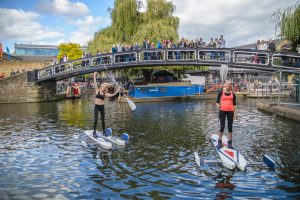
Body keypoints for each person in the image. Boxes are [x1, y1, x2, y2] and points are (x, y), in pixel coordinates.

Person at [93, 72, 120, 138]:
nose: (103, 87)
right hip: (96, 107)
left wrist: (118, 90)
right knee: (96, 119)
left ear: (105, 88)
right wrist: (94, 75)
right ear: (101, 86)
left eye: (104, 86)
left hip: (102, 107)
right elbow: (95, 82)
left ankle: (104, 131)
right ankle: (94, 132)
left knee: (103, 120)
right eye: (102, 86)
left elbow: (112, 95)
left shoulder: (105, 94)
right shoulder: (97, 90)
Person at [216, 80, 237, 149]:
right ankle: (219, 140)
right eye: (228, 84)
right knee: (222, 126)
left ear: (231, 86)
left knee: (230, 127)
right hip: (222, 111)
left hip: (230, 112)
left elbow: (234, 105)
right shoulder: (221, 92)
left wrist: (236, 114)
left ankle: (229, 142)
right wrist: (218, 105)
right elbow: (217, 102)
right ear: (225, 85)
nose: (229, 85)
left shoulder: (233, 94)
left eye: (230, 84)